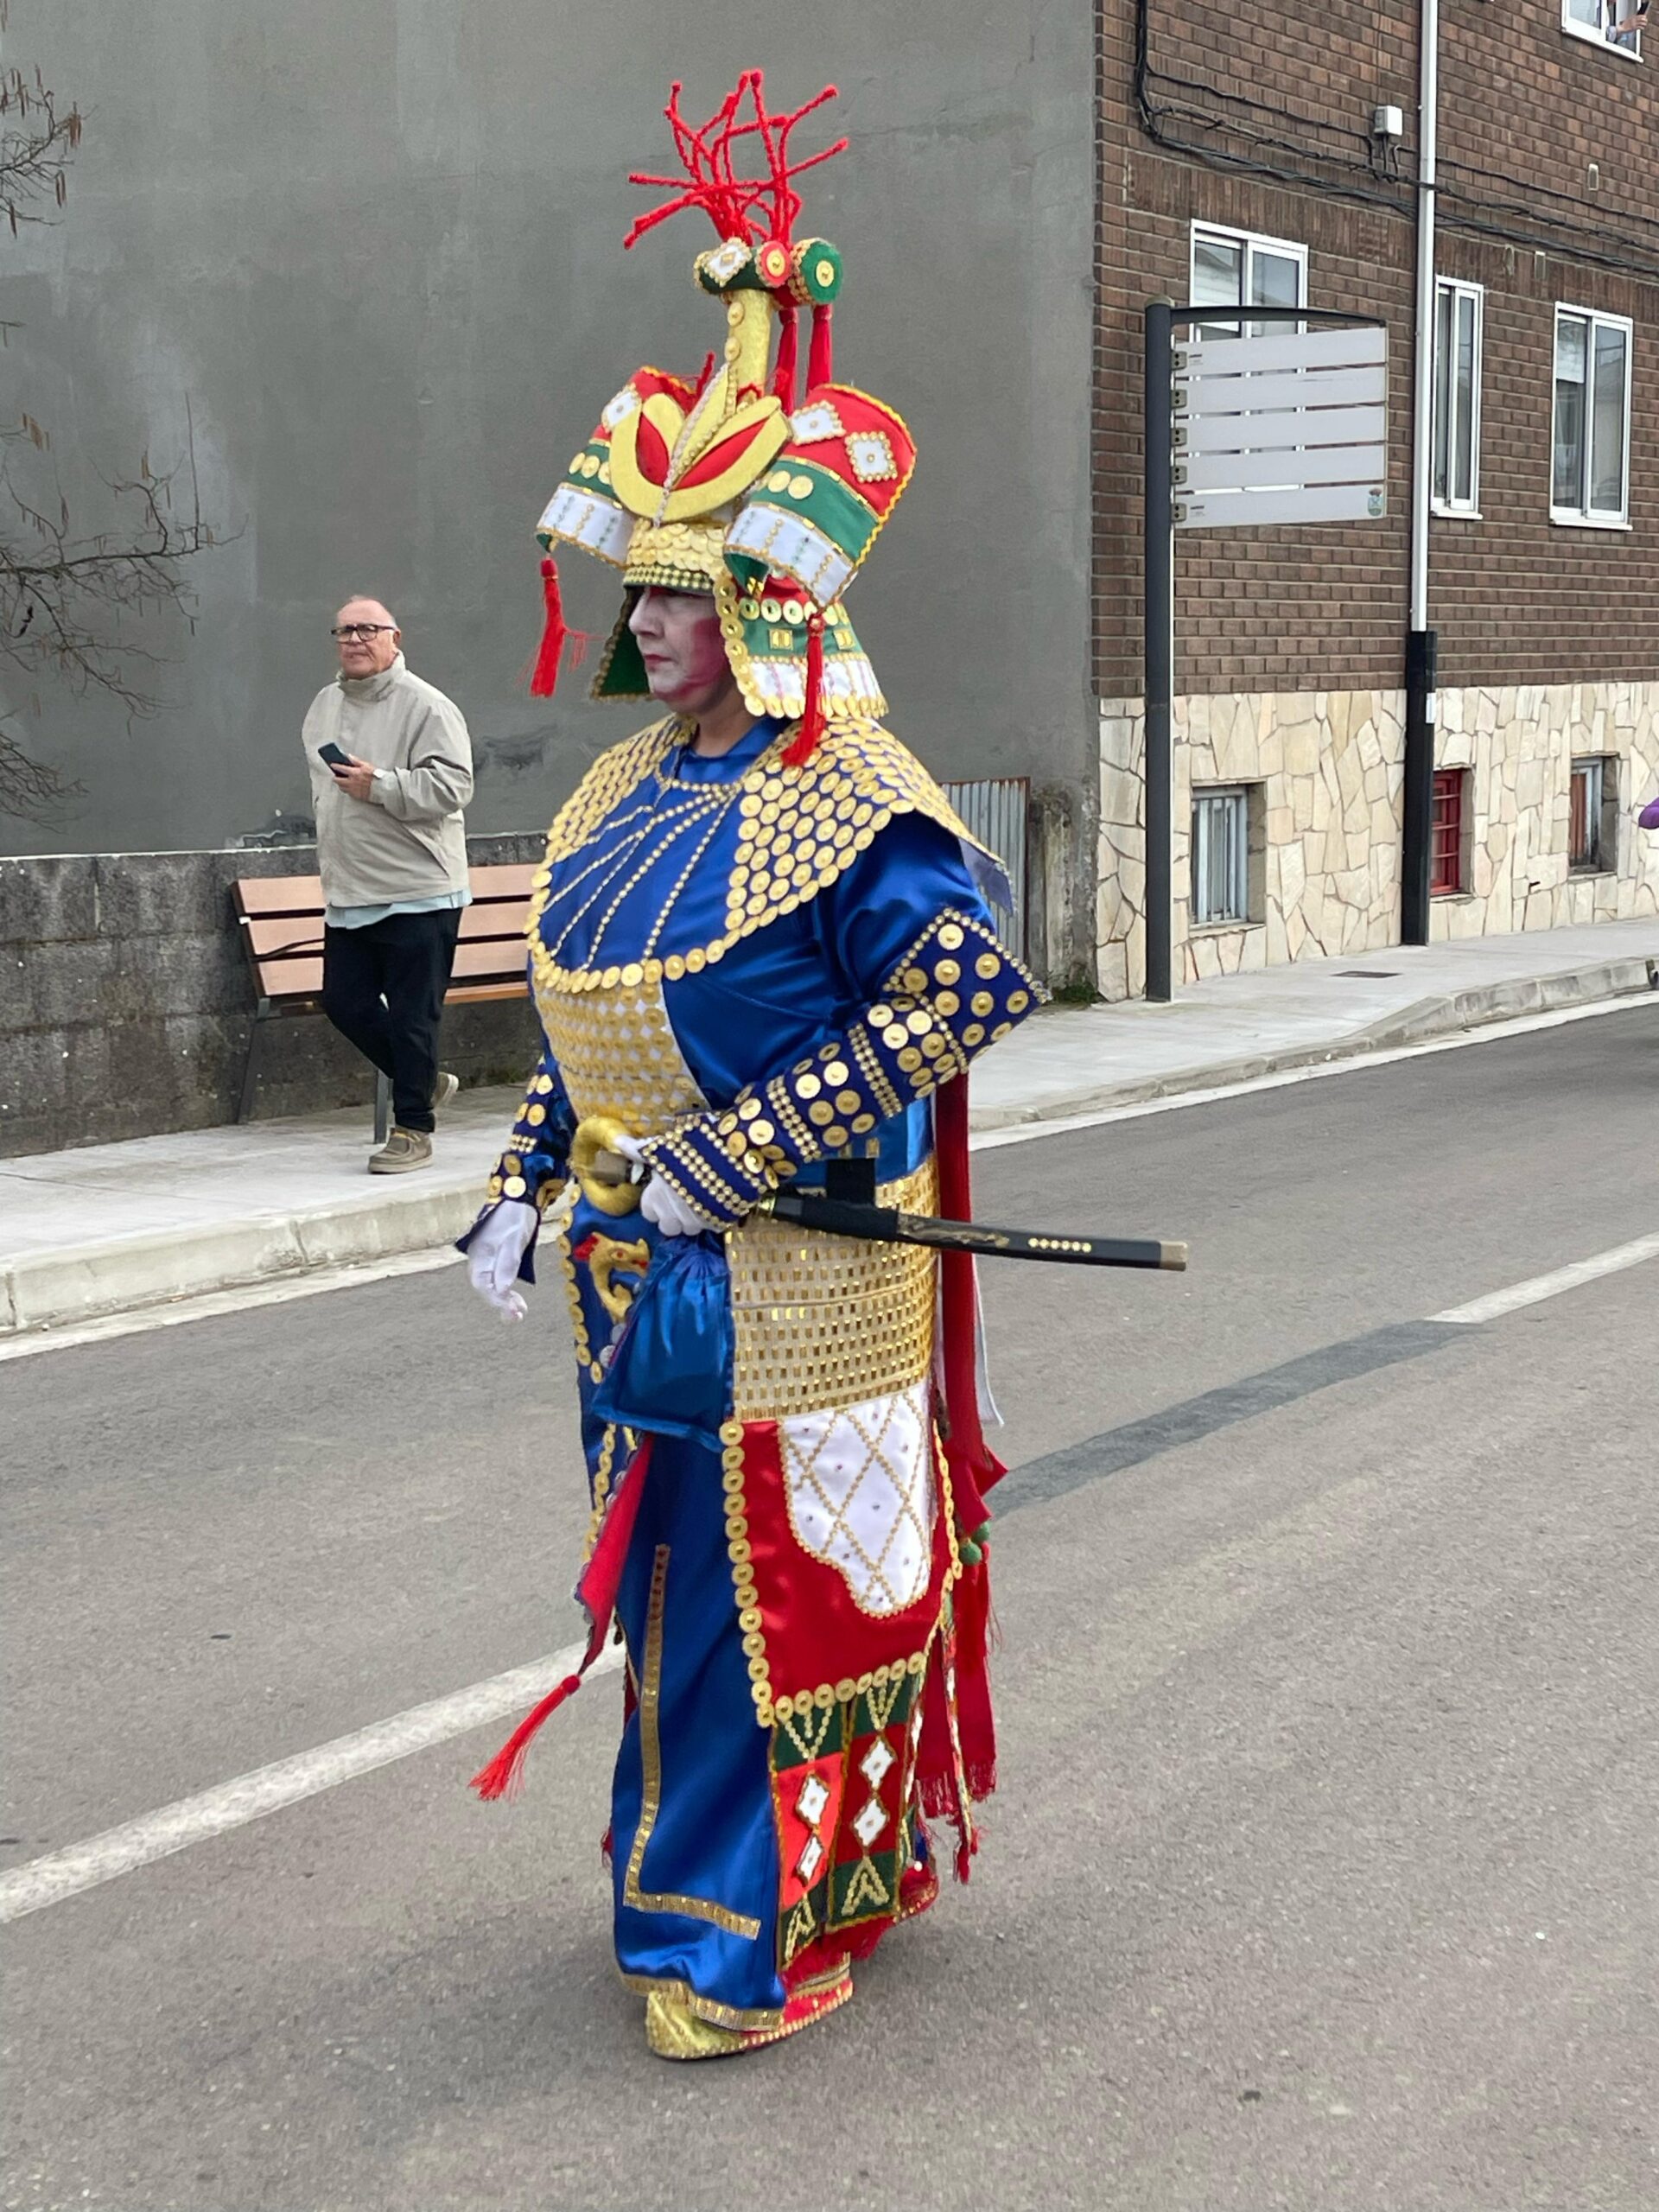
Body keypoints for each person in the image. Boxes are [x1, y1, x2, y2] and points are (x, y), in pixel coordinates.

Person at [461, 72, 1043, 2063]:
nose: (643, 616)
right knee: (669, 1609)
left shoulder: (856, 793)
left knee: (758, 1611)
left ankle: (748, 1930)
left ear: (760, 600)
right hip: (645, 1288)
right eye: (636, 582)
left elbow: (969, 985)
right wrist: (530, 1177)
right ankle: (705, 1882)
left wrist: (740, 1150)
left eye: (676, 588)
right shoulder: (624, 787)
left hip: (800, 1287)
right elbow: (586, 1012)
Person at [302, 596, 474, 1173]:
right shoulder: (323, 707)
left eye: (368, 629)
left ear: (395, 638)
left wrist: (380, 784)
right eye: (345, 629)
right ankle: (422, 1081)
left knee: (411, 1015)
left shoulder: (428, 706)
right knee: (344, 1003)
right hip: (351, 890)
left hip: (419, 886)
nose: (354, 639)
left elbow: (453, 789)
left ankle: (413, 1130)